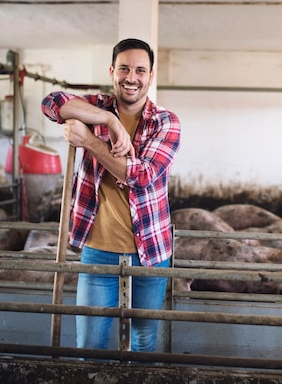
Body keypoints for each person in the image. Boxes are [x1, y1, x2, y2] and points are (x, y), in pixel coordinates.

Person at [41, 38, 181, 353]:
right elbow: (51, 102)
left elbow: (141, 176)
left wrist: (89, 141)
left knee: (143, 342)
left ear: (151, 76)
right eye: (124, 68)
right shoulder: (96, 108)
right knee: (90, 344)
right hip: (98, 249)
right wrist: (108, 121)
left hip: (150, 251)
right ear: (112, 71)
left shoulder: (166, 122)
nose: (132, 77)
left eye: (140, 70)